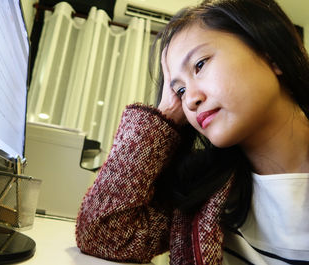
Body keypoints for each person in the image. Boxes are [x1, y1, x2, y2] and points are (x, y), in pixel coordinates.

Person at [75, 0, 309, 264]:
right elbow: (102, 233)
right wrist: (164, 113)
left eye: (199, 65)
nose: (189, 101)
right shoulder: (203, 191)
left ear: (271, 54)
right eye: (181, 90)